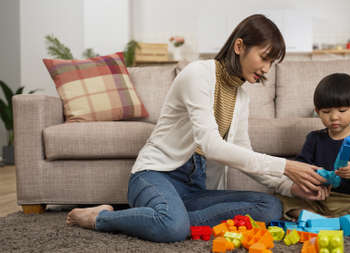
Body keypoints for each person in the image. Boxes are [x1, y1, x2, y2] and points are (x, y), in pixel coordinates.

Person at [66, 14, 328, 242]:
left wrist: (291, 187)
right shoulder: (198, 74)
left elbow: (243, 154)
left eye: (272, 63)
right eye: (264, 58)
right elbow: (212, 145)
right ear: (239, 46)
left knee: (270, 206)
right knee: (173, 227)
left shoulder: (241, 98)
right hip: (156, 176)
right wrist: (287, 166)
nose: (266, 68)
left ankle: (166, 218)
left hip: (195, 187)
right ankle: (101, 217)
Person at [277, 73, 350, 223]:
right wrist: (316, 177)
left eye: (342, 111)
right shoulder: (314, 138)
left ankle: (320, 220)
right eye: (326, 112)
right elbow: (301, 165)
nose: (334, 117)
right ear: (317, 112)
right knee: (281, 200)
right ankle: (329, 220)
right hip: (319, 198)